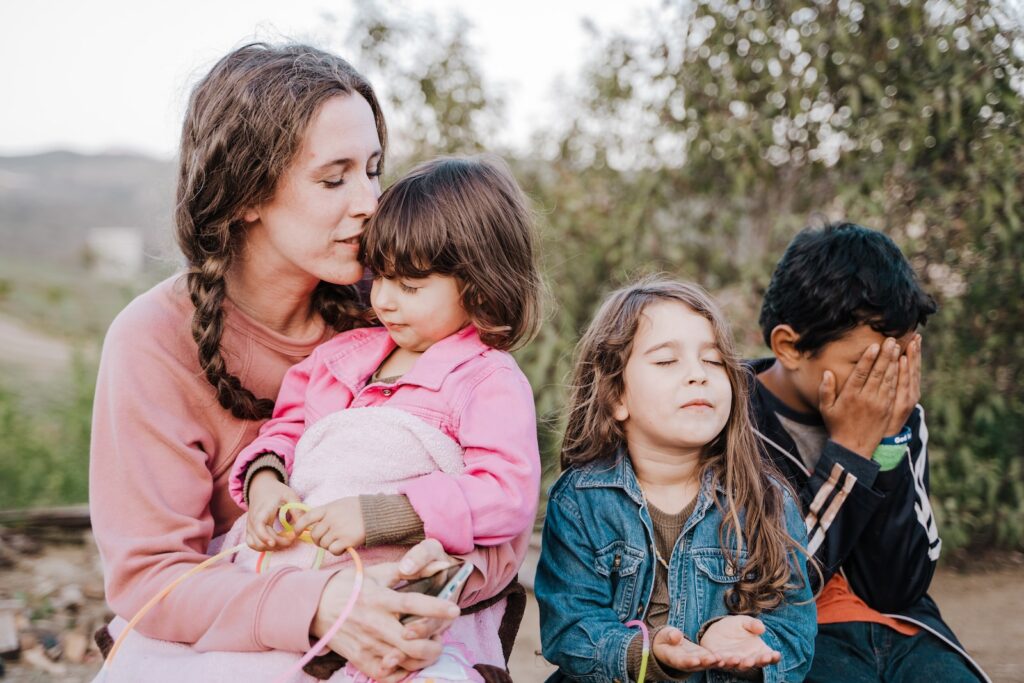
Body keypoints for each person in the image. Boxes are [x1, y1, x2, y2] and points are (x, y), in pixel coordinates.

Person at [89, 43, 525, 683]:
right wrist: (321, 604)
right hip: (240, 632)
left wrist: (424, 583)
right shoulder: (153, 342)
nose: (372, 202)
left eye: (374, 170)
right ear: (245, 197)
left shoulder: (403, 302)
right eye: (334, 178)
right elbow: (151, 577)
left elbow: (498, 499)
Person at [220, 154, 543, 680]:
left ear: (479, 288)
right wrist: (266, 482)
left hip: (399, 591)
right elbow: (288, 431)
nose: (386, 300)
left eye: (411, 287)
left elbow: (506, 492)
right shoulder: (339, 359)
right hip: (303, 580)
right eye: (381, 276)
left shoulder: (487, 381)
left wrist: (380, 515)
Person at [535, 278, 816, 683]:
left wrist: (751, 648)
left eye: (714, 361)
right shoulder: (580, 500)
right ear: (616, 395)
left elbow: (795, 635)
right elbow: (568, 629)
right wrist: (645, 656)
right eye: (667, 361)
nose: (698, 375)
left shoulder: (767, 501)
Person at [750, 222, 989, 682]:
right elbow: (778, 586)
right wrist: (851, 451)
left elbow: (897, 587)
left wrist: (888, 443)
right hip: (797, 635)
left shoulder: (899, 418)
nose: (886, 381)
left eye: (898, 358)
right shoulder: (729, 416)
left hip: (899, 631)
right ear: (790, 346)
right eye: (867, 364)